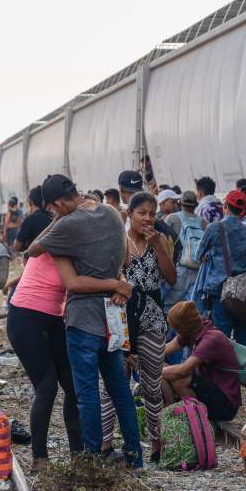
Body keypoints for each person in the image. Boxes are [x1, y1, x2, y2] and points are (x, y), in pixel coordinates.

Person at [27, 174, 143, 468]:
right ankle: (134, 457)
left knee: (87, 393)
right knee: (119, 389)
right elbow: (126, 262)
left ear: (54, 203)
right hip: (112, 317)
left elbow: (32, 250)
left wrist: (56, 220)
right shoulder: (112, 213)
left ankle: (91, 461)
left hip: (83, 319)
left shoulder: (67, 225)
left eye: (52, 208)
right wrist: (116, 283)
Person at [99, 192, 176, 464]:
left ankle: (157, 445)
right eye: (142, 212)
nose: (147, 218)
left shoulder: (160, 240)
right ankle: (106, 443)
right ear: (129, 214)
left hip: (152, 318)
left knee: (152, 383)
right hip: (121, 318)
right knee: (113, 381)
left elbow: (171, 278)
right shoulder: (119, 239)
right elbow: (110, 275)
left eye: (152, 214)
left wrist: (159, 247)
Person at [7, 201, 81, 471]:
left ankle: (78, 455)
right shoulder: (54, 236)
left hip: (54, 317)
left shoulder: (77, 240)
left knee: (73, 386)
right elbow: (31, 249)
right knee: (47, 385)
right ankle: (40, 458)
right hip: (25, 316)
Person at [193, 189, 246, 346]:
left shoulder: (214, 228)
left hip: (219, 289)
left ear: (225, 205)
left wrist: (209, 256)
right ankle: (243, 367)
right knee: (242, 335)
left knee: (221, 335)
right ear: (242, 210)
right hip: (242, 290)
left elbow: (198, 255)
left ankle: (223, 367)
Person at [160, 301, 241, 423]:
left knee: (179, 379)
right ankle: (171, 412)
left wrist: (153, 372)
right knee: (161, 367)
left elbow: (182, 370)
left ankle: (198, 421)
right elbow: (165, 350)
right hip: (210, 390)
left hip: (226, 405)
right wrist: (144, 357)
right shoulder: (194, 330)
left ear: (182, 328)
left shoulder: (211, 339)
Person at [163, 190, 209, 309]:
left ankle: (173, 328)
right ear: (196, 205)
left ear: (180, 203)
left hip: (180, 268)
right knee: (191, 306)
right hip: (198, 269)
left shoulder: (172, 218)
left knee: (170, 305)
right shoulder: (204, 223)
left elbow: (165, 242)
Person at [13, 185, 52, 255]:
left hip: (35, 261)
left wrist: (26, 247)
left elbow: (16, 246)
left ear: (30, 201)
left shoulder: (29, 220)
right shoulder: (53, 217)